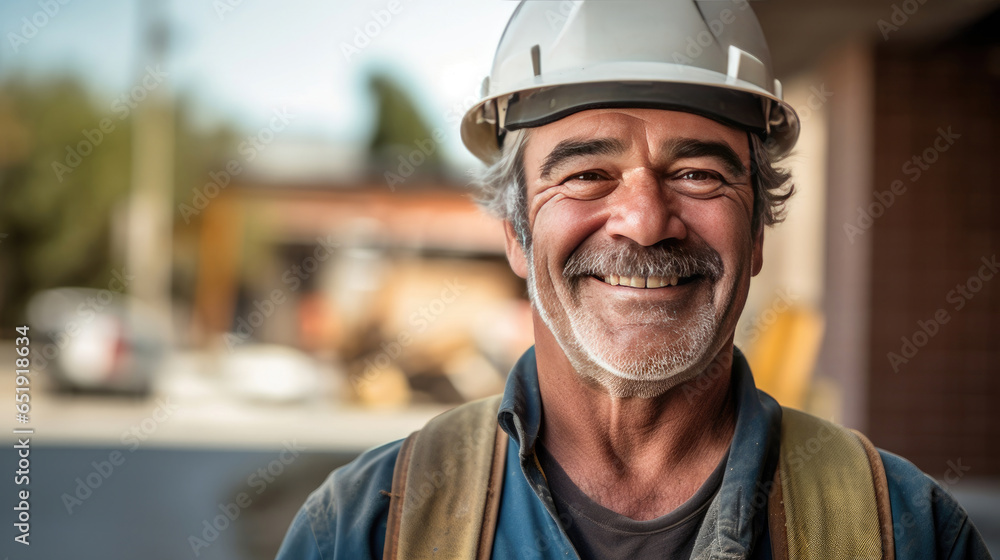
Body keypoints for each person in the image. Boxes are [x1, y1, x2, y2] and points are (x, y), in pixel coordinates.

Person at [275, 2, 992, 558]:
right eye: (587, 174)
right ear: (515, 235)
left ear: (758, 230)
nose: (646, 222)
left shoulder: (904, 533)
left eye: (697, 174)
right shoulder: (367, 532)